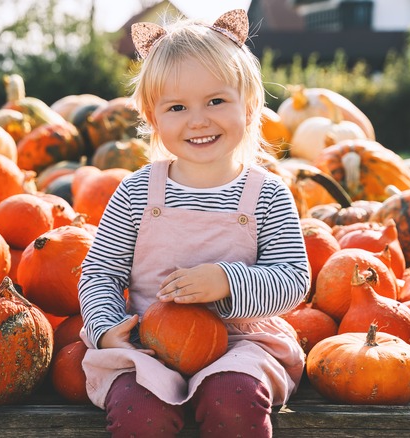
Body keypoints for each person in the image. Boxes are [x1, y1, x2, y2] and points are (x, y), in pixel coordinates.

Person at [77, 9, 310, 437]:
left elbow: (293, 279)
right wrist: (108, 328)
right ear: (153, 117)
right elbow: (100, 273)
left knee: (235, 401)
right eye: (178, 107)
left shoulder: (268, 195)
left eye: (216, 101)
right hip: (151, 344)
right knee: (136, 412)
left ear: (250, 105)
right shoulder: (136, 192)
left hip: (240, 344)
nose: (198, 119)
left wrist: (228, 282)